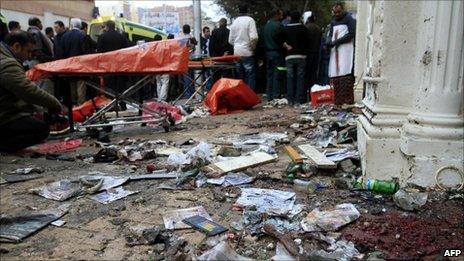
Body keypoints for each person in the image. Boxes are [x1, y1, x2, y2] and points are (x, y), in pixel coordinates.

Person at [0, 31, 63, 152]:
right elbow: (28, 91)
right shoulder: (7, 64)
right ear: (17, 46)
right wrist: (55, 103)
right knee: (41, 129)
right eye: (28, 51)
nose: (29, 56)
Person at [276, 11, 311, 106]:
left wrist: (286, 45)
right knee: (300, 77)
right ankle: (300, 98)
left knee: (290, 77)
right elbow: (309, 41)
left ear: (290, 18)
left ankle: (290, 98)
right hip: (301, 55)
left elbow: (277, 38)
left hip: (289, 55)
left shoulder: (285, 28)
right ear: (299, 18)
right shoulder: (304, 28)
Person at [326, 1, 356, 105]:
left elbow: (351, 34)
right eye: (335, 12)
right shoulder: (333, 21)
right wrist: (328, 41)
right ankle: (338, 100)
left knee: (345, 72)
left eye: (338, 12)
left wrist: (336, 42)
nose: (337, 14)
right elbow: (330, 34)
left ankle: (346, 100)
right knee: (335, 74)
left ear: (342, 9)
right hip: (335, 51)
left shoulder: (349, 19)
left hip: (345, 50)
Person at [97, 20, 130, 109]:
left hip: (107, 67)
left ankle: (111, 106)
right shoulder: (121, 37)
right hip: (120, 66)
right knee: (120, 87)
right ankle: (123, 105)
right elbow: (128, 49)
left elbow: (99, 53)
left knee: (109, 88)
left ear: (107, 27)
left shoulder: (102, 37)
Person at [228, 5, 258, 90]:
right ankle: (250, 95)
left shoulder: (235, 22)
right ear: (247, 11)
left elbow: (230, 40)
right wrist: (253, 47)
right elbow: (254, 37)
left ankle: (242, 95)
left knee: (240, 76)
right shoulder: (250, 20)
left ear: (238, 12)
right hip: (247, 52)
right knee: (250, 75)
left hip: (237, 52)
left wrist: (237, 45)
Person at [263, 9, 284, 101]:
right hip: (277, 52)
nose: (281, 16)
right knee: (277, 73)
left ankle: (269, 95)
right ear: (277, 15)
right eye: (280, 15)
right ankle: (276, 95)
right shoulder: (279, 25)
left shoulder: (266, 26)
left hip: (268, 53)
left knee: (269, 74)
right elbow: (282, 39)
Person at [303, 11, 322, 96]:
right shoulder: (318, 28)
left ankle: (305, 94)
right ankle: (313, 94)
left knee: (306, 74)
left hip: (307, 54)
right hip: (316, 53)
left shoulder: (305, 28)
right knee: (314, 75)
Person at [178, 24, 197, 98]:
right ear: (189, 30)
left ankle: (188, 94)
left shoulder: (181, 39)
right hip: (192, 59)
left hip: (184, 60)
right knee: (192, 77)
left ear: (183, 30)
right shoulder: (192, 38)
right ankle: (192, 92)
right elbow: (195, 46)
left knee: (186, 77)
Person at [153, 35, 170, 101]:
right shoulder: (164, 47)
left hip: (156, 68)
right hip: (164, 67)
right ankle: (162, 99)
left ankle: (159, 98)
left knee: (158, 82)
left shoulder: (153, 48)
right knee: (165, 82)